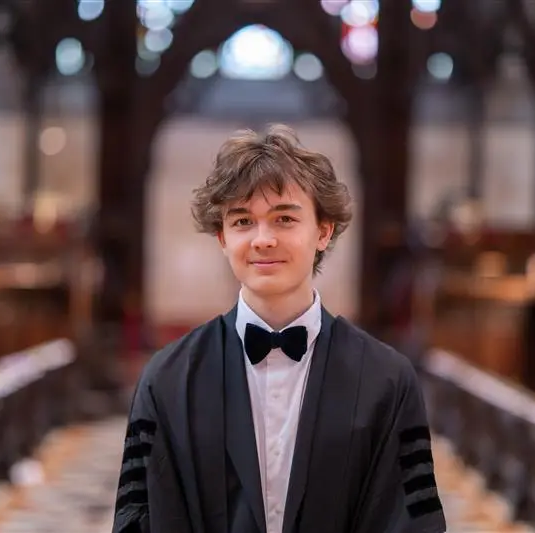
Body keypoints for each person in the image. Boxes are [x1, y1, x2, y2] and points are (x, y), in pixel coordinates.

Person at [112, 125, 446, 533]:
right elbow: (138, 522)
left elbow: (413, 525)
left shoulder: (387, 382)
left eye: (284, 218)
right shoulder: (166, 380)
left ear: (323, 231)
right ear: (221, 236)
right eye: (242, 221)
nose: (263, 239)